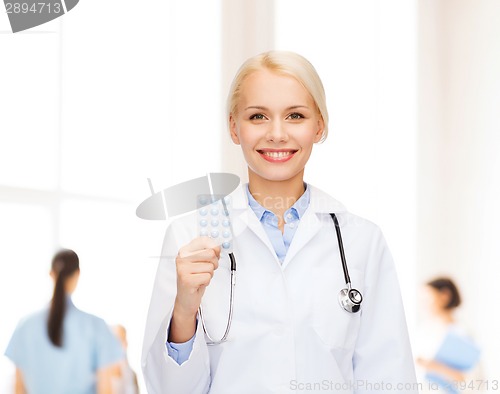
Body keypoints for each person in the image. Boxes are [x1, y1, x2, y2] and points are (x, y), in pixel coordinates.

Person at [142, 51, 418, 393]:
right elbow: (169, 389)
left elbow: (390, 379)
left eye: (295, 116)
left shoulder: (361, 241)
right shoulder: (188, 235)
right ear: (234, 127)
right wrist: (184, 310)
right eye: (258, 116)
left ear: (319, 126)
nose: (276, 133)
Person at [4, 249, 123, 394]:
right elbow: (105, 390)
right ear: (78, 274)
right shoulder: (96, 326)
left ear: (51, 274)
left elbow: (18, 389)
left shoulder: (25, 326)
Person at [416, 277, 481, 393]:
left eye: (427, 298)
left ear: (445, 296)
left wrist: (436, 367)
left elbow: (476, 382)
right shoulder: (423, 331)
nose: (422, 304)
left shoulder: (462, 334)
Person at [111, 324, 140, 394]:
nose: (125, 343)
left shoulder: (132, 374)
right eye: (120, 339)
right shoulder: (101, 376)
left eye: (124, 339)